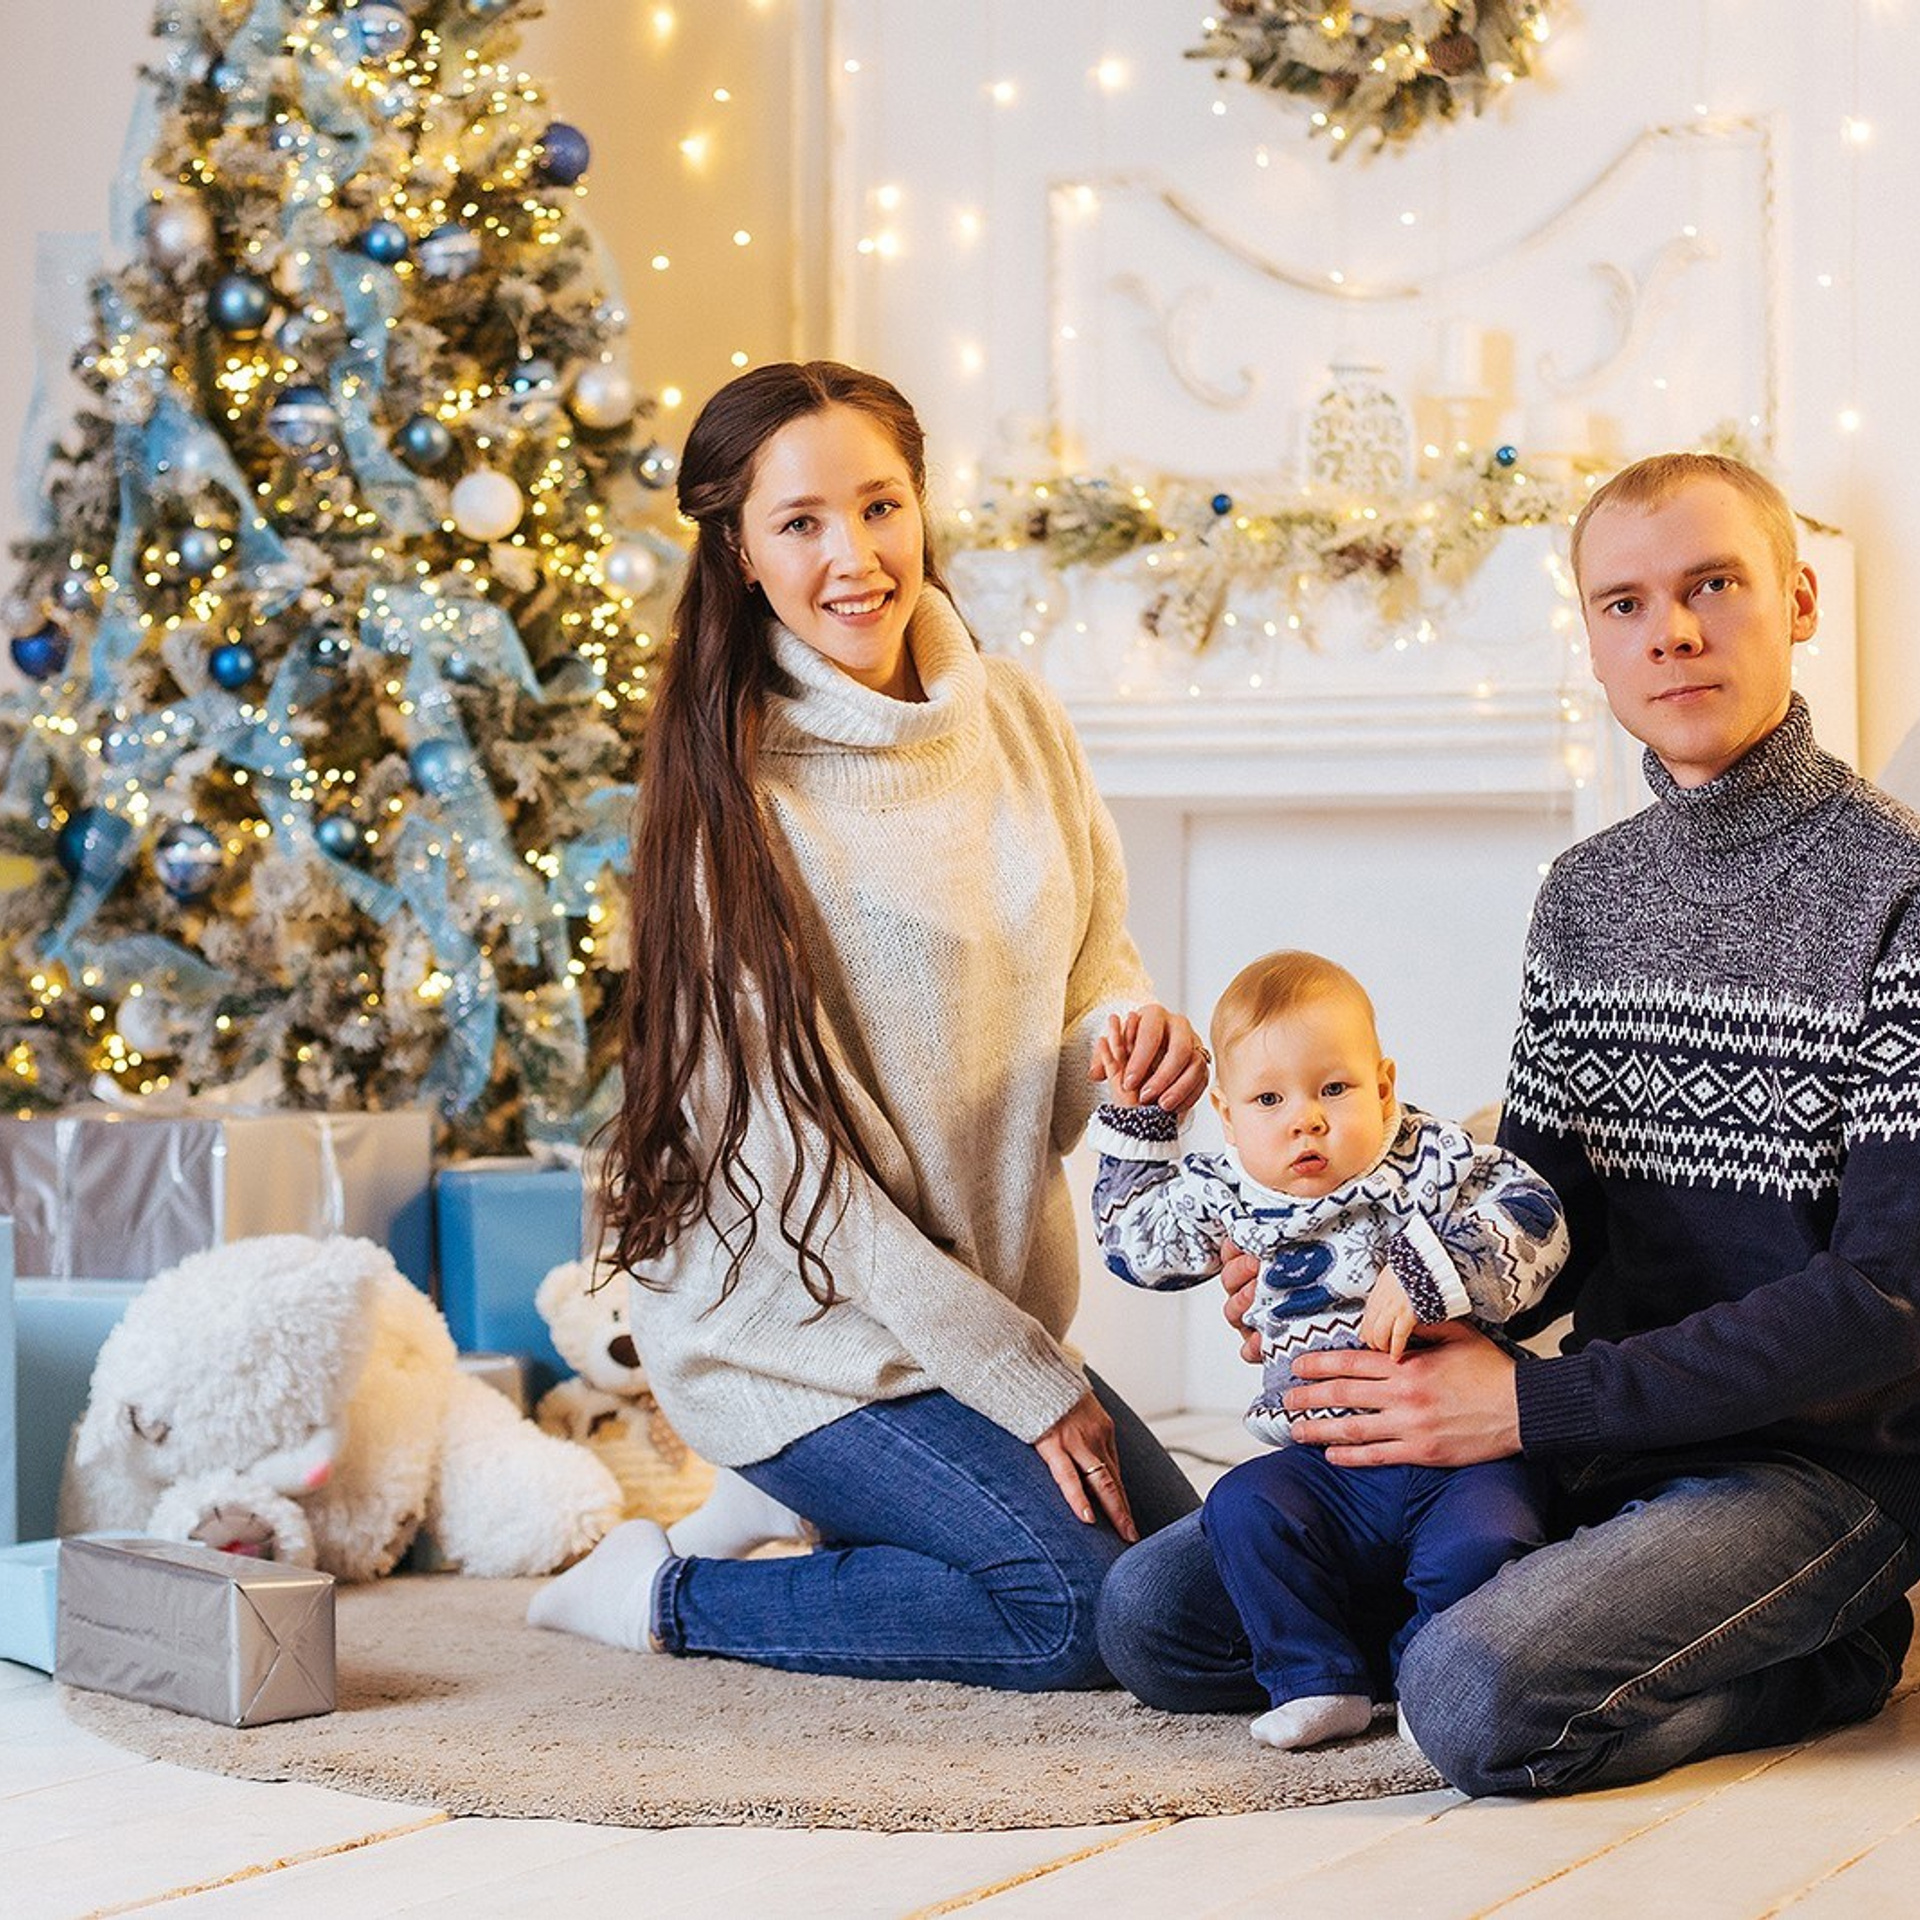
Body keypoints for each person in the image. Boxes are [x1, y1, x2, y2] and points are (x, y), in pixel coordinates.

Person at [1097, 451, 1920, 1795]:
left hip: (1813, 1469)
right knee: (1155, 1617)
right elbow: (1533, 1207)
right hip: (1589, 1431)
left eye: (1716, 583)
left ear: (1801, 598)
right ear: (1592, 639)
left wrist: (1528, 1404)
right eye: (1625, 603)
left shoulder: (1899, 893)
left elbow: (1892, 1301)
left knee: (1472, 1693)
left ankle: (1826, 1647)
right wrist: (1353, 1288)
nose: (1674, 630)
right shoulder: (1587, 895)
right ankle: (1588, 1624)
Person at [525, 360, 1207, 1688]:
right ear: (739, 549)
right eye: (801, 523)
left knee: (1196, 1600)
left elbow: (1090, 974)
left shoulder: (1017, 720)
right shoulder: (736, 786)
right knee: (1088, 1618)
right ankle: (662, 1592)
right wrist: (1028, 1384)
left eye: (880, 506)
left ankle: (818, 1519)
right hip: (794, 1330)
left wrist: (1128, 1054)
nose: (855, 555)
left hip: (965, 1312)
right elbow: (802, 1185)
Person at [1090, 947, 1565, 1749]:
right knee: (1244, 1509)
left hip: (1460, 1457)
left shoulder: (1432, 1160)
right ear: (1230, 1119)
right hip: (1328, 1466)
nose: (1306, 1118)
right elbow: (1137, 1243)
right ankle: (1317, 1679)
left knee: (1487, 1541)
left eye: (1334, 1089)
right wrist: (1140, 1127)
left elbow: (1535, 1212)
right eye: (1269, 1099)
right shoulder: (1228, 1191)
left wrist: (1432, 1269)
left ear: (1383, 1086)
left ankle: (1431, 1677)